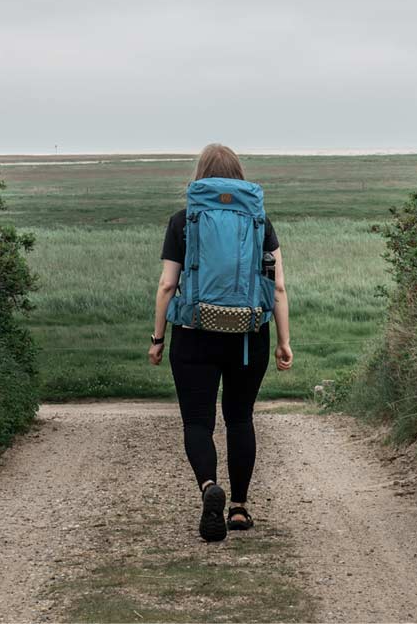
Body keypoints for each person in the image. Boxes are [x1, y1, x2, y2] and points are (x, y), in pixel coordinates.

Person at [148, 143, 293, 542]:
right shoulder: (260, 222)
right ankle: (241, 509)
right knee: (240, 418)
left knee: (198, 421)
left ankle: (209, 486)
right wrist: (283, 340)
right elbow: (277, 286)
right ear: (239, 175)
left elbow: (167, 285)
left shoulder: (183, 221)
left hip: (194, 335)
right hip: (249, 335)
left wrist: (158, 338)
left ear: (201, 176)